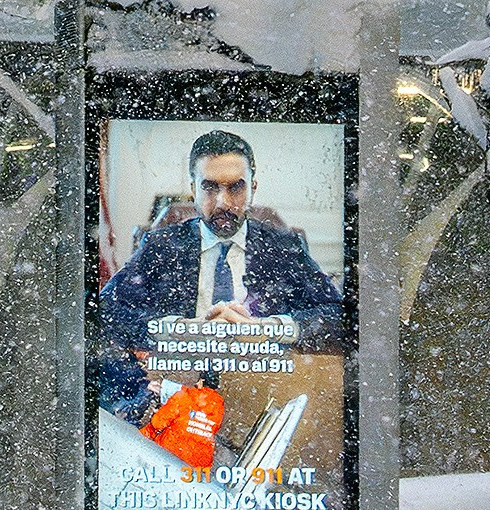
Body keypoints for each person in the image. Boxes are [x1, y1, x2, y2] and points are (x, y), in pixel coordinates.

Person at [97, 130, 346, 420]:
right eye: (210, 188)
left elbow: (340, 316)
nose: (223, 203)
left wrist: (268, 329)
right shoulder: (163, 246)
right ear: (193, 189)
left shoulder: (283, 247)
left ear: (253, 188)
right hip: (178, 399)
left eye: (235, 188)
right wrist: (178, 331)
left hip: (259, 392)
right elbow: (103, 311)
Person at [140, 369, 225, 470]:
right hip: (200, 461)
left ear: (201, 381)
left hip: (172, 451)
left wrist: (139, 438)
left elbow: (158, 423)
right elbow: (213, 428)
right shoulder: (219, 406)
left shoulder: (185, 396)